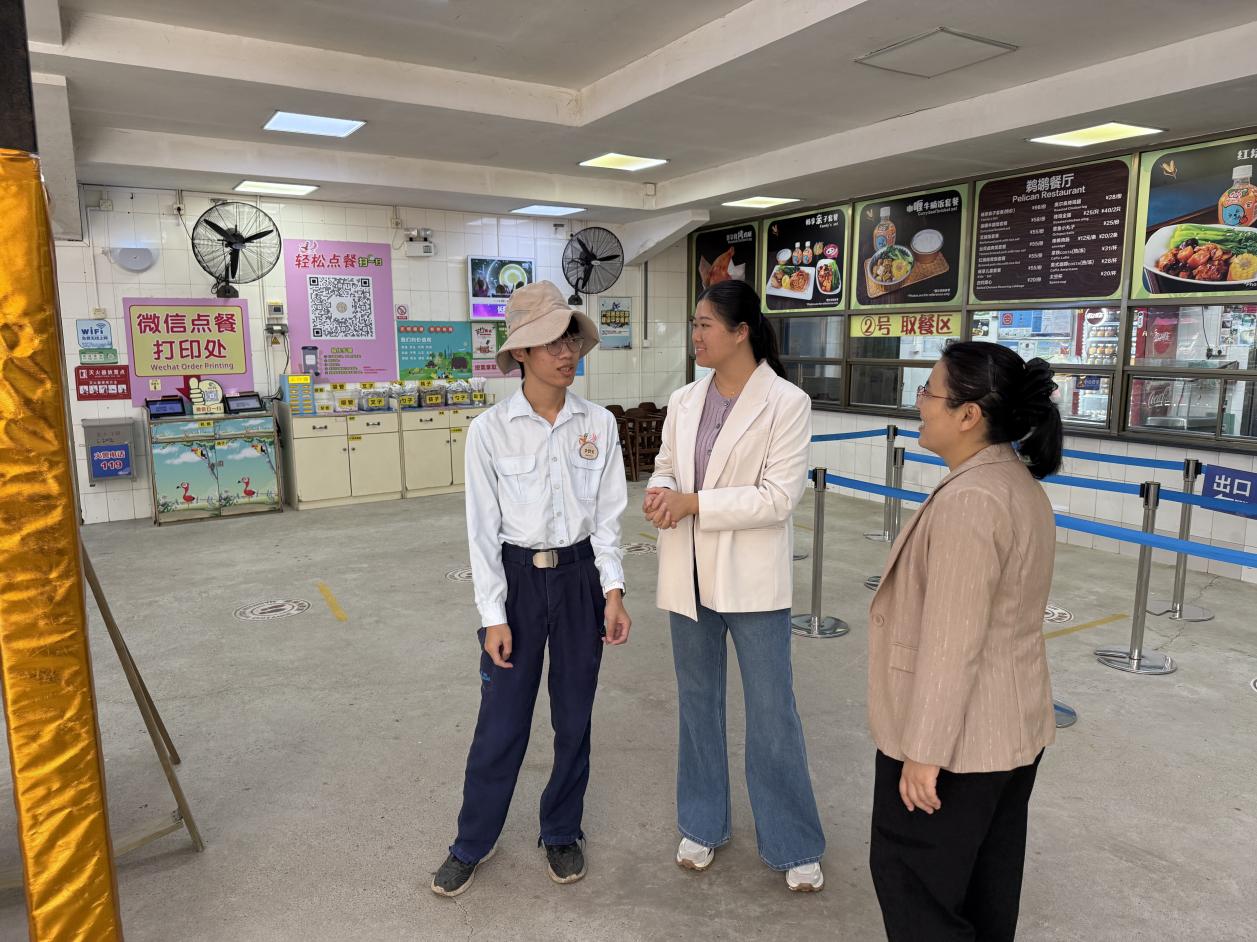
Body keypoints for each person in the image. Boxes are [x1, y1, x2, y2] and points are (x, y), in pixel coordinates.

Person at [431, 281, 632, 898]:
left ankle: (562, 830)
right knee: (501, 722)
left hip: (579, 581)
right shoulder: (490, 431)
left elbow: (608, 517)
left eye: (571, 339)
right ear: (520, 352)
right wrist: (493, 614)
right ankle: (472, 841)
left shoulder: (598, 424)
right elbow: (481, 533)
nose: (567, 353)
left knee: (574, 717)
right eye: (551, 343)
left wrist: (613, 589)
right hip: (517, 583)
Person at [866, 341, 1064, 941]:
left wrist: (923, 753)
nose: (919, 403)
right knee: (985, 890)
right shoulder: (1013, 482)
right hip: (1009, 732)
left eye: (929, 392)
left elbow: (954, 643)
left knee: (917, 891)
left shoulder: (972, 501)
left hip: (958, 747)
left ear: (968, 415)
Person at [643, 279, 826, 892]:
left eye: (705, 325)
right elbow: (666, 466)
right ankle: (702, 823)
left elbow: (777, 499)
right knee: (698, 705)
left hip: (751, 580)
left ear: (741, 331)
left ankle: (793, 842)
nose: (695, 335)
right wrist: (660, 493)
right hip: (688, 573)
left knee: (772, 712)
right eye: (694, 324)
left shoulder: (786, 403)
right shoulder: (684, 399)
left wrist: (693, 503)